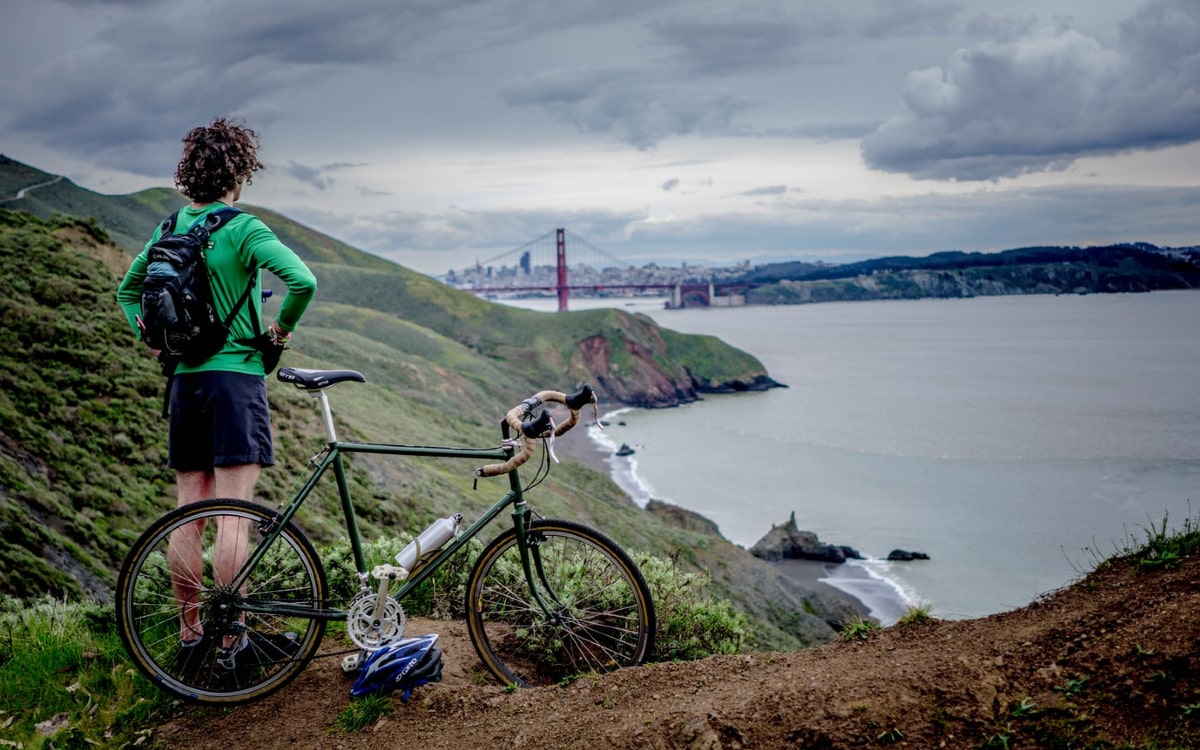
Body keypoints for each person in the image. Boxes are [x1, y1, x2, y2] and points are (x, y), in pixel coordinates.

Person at [116, 117, 317, 658]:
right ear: (240, 173)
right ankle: (231, 637)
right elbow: (303, 281)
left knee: (189, 509)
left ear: (189, 173)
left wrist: (153, 340)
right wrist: (280, 330)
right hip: (236, 380)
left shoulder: (169, 228)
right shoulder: (244, 229)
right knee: (235, 510)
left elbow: (127, 290)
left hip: (184, 383)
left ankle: (189, 635)